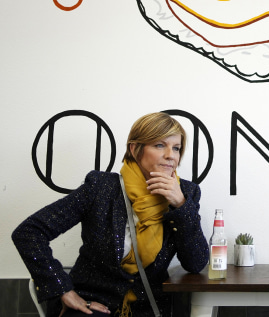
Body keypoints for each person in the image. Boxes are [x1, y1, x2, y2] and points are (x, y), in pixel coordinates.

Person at [12, 112, 210, 317]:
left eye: (176, 148)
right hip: (90, 304)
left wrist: (181, 205)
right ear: (135, 149)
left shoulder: (186, 193)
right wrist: (62, 289)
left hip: (147, 309)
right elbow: (28, 232)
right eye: (160, 145)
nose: (171, 155)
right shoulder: (101, 187)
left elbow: (195, 263)